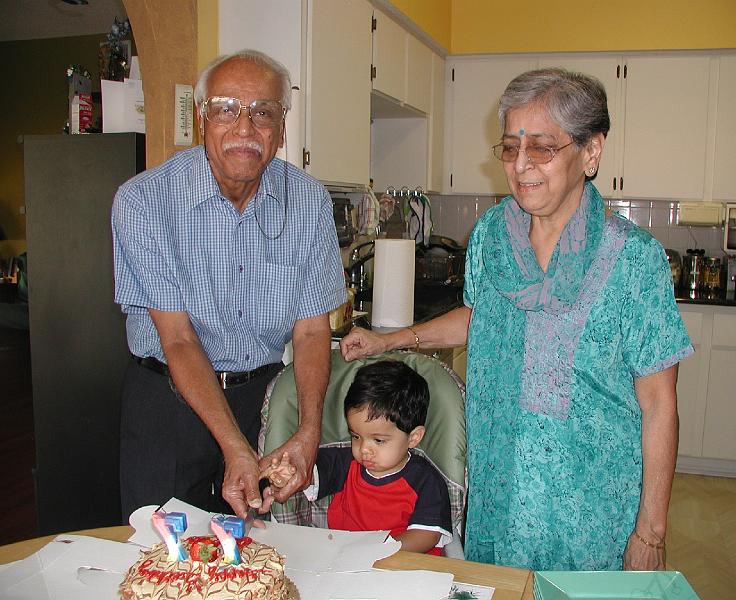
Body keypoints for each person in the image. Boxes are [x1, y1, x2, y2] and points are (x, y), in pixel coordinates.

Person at [340, 68, 693, 572]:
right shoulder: (490, 235)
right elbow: (482, 319)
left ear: (591, 152)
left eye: (542, 148)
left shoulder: (634, 261)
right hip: (500, 499)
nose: (521, 166)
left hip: (593, 513)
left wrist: (651, 531)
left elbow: (660, 404)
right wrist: (390, 340)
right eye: (510, 148)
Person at [111, 49, 346, 521]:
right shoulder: (143, 201)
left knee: (258, 564)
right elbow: (177, 338)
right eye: (226, 109)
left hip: (261, 403)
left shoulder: (310, 201)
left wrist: (306, 431)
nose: (245, 129)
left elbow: (312, 332)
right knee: (166, 564)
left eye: (263, 112)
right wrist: (233, 447)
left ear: (281, 129)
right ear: (203, 119)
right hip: (169, 405)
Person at [263, 360, 453, 555]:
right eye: (356, 436)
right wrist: (287, 474)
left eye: (378, 441)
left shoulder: (425, 480)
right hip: (345, 562)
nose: (364, 450)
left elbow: (426, 535)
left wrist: (377, 551)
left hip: (403, 567)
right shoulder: (347, 463)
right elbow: (307, 473)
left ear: (413, 438)